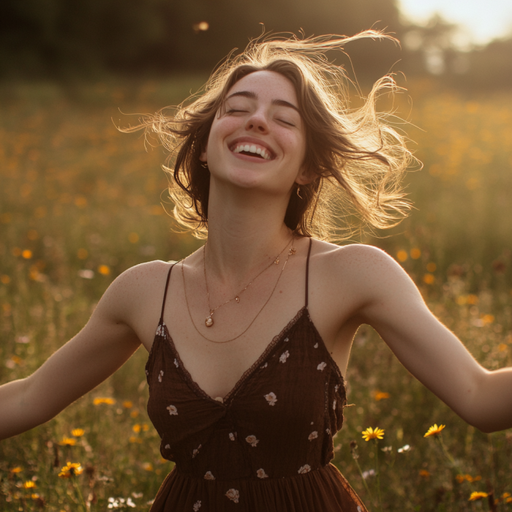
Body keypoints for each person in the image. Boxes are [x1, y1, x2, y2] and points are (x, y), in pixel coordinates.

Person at [1, 31, 511, 512]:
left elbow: (481, 397)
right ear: (206, 144)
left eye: (284, 119)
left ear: (307, 168)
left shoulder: (352, 273)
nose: (257, 121)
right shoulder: (142, 291)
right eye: (237, 109)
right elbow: (27, 397)